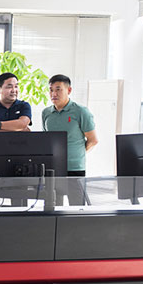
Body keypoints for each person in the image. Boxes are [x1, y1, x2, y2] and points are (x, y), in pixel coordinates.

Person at [42, 74, 98, 205]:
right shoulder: (46, 113)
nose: (53, 94)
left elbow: (93, 140)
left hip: (75, 168)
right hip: (53, 168)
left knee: (77, 207)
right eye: (51, 90)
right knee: (53, 206)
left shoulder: (81, 111)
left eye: (58, 89)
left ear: (69, 90)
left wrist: (77, 153)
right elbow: (46, 139)